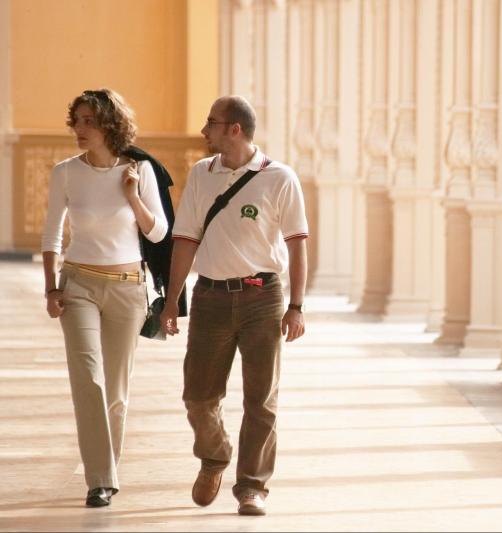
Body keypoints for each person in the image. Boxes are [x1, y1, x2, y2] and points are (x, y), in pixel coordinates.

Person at [159, 95, 308, 516]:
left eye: (211, 122)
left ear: (234, 129)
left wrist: (296, 306)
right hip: (209, 298)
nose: (204, 130)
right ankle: (214, 455)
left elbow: (298, 247)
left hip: (264, 298)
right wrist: (172, 301)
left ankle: (252, 486)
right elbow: (185, 238)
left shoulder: (280, 178)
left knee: (262, 399)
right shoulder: (201, 175)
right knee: (198, 396)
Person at [41, 88, 168, 507]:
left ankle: (106, 470)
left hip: (128, 288)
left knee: (116, 388)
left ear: (110, 125)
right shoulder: (65, 172)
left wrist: (132, 194)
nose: (79, 129)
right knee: (88, 378)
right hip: (77, 285)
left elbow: (158, 232)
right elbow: (53, 234)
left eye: (88, 121)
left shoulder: (139, 170)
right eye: (76, 120)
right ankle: (100, 478)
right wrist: (51, 286)